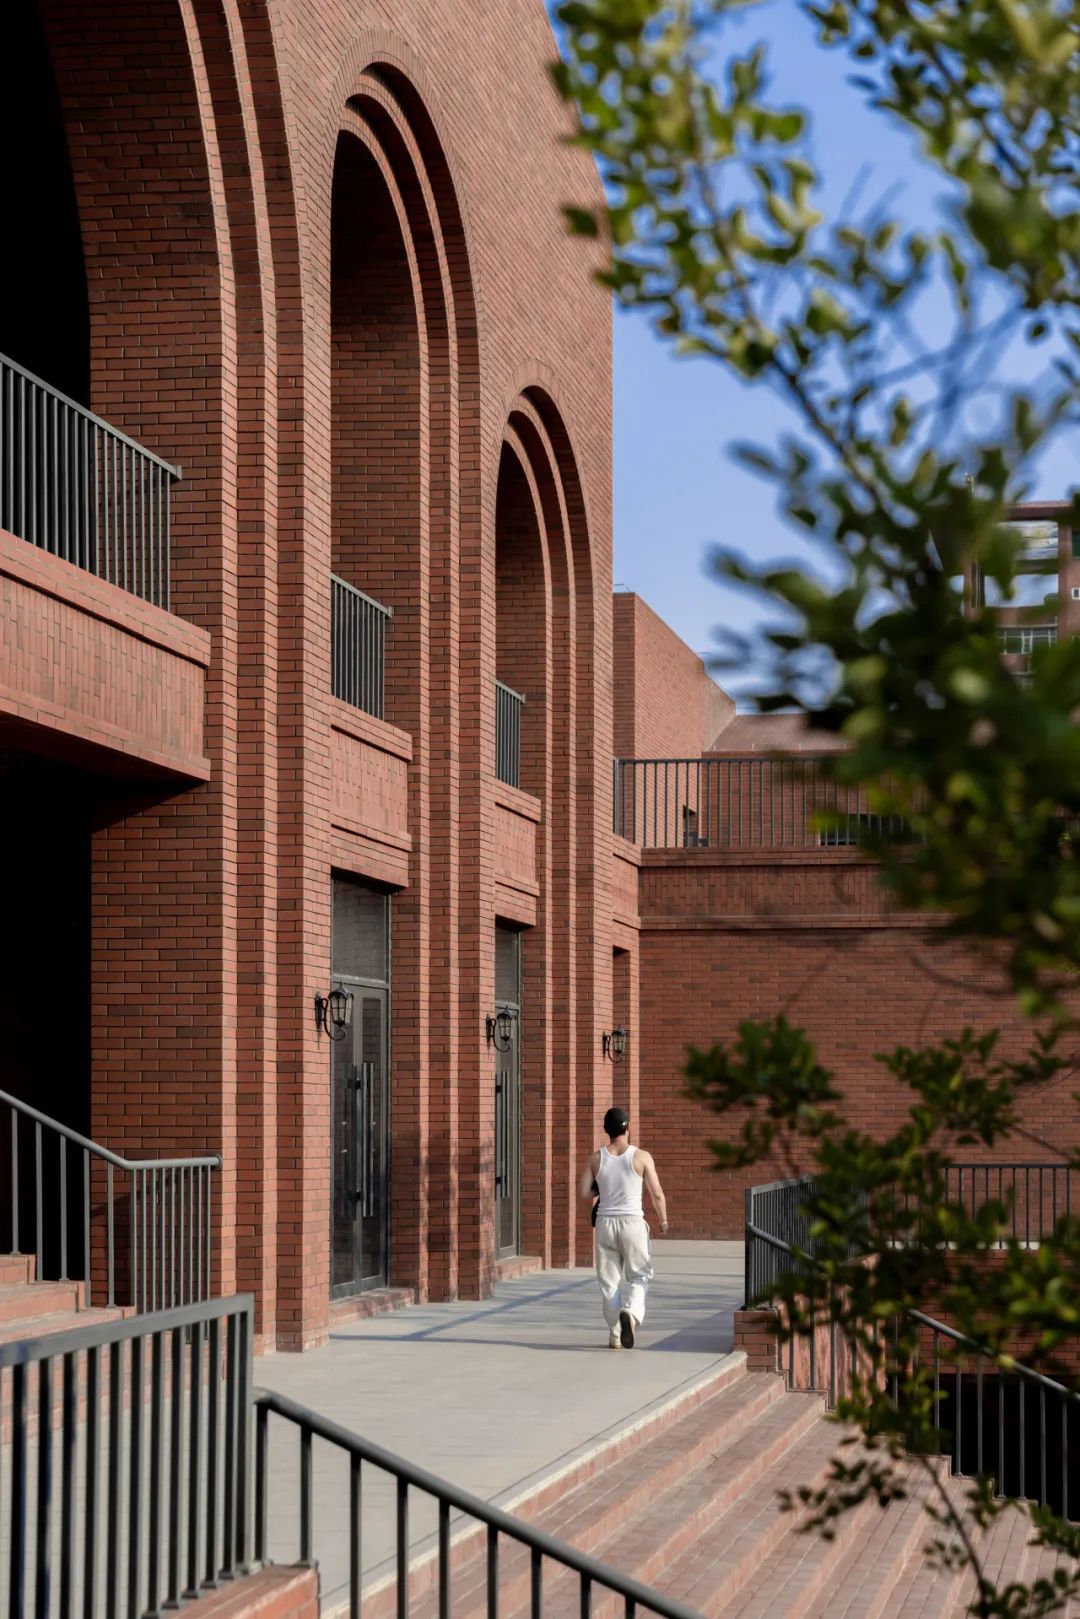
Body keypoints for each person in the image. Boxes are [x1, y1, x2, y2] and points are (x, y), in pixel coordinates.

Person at [580, 1106, 668, 1349]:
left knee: (609, 1283)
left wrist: (601, 1188)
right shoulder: (641, 1157)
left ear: (606, 1130)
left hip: (605, 1224)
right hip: (633, 1224)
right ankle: (631, 1312)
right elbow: (657, 1193)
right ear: (628, 1128)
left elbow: (583, 1192)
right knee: (640, 1276)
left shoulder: (596, 1158)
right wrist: (663, 1220)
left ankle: (615, 1335)